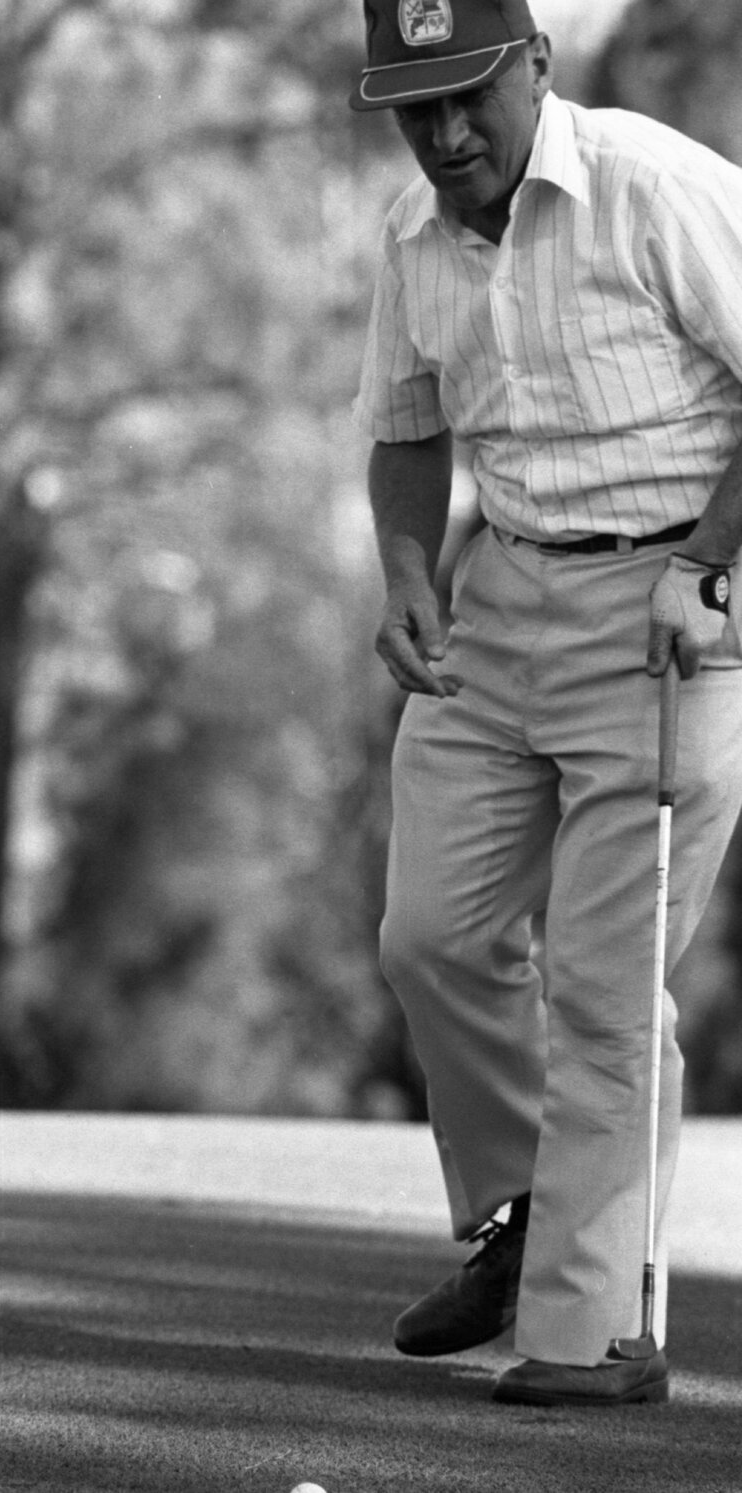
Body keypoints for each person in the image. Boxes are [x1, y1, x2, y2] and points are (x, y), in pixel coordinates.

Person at [349, 0, 742, 1406]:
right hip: (503, 592)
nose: (446, 134)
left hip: (675, 602)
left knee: (601, 977)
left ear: (533, 68)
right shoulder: (410, 237)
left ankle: (589, 1333)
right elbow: (404, 426)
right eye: (416, 108)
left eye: (469, 96)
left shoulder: (653, 185)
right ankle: (528, 1216)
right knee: (432, 934)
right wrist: (406, 563)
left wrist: (707, 565)